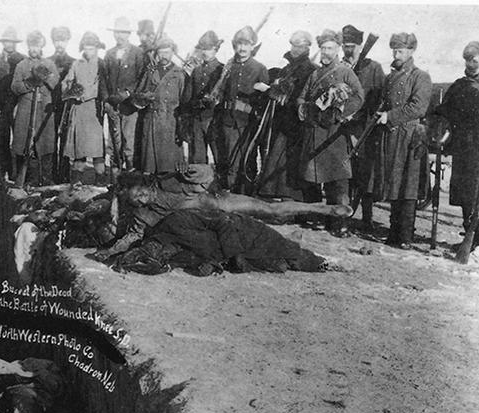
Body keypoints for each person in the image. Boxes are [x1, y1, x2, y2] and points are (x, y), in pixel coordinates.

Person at [93, 164, 353, 260]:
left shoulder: (168, 181)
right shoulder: (145, 216)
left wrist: (195, 171)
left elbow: (207, 172)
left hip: (219, 202)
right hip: (215, 223)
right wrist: (108, 251)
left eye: (139, 192)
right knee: (261, 232)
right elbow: (130, 237)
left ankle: (324, 208)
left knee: (270, 210)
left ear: (144, 185)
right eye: (136, 200)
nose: (141, 199)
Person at [297, 29, 364, 237]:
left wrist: (341, 112)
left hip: (334, 134)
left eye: (330, 48)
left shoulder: (346, 72)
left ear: (337, 50)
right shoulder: (314, 74)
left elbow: (359, 97)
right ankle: (316, 217)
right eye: (323, 48)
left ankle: (339, 221)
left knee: (338, 180)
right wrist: (307, 109)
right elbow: (301, 98)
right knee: (313, 176)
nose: (326, 52)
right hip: (314, 130)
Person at [371, 32, 432, 249]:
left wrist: (391, 116)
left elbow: (418, 107)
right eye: (394, 50)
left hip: (409, 138)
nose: (396, 54)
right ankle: (393, 233)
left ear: (411, 51)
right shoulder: (389, 78)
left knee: (408, 186)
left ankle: (405, 236)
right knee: (394, 184)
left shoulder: (420, 76)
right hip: (391, 136)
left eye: (400, 50)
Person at [256, 30, 318, 200]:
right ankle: (276, 197)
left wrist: (278, 94)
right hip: (282, 122)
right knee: (277, 159)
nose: (296, 49)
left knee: (292, 164)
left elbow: (304, 97)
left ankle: (292, 201)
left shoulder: (311, 70)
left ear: (307, 48)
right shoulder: (286, 69)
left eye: (300, 46)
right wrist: (271, 90)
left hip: (297, 124)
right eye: (294, 45)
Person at [434, 41, 479, 251]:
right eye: (467, 60)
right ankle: (471, 237)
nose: (470, 64)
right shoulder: (459, 85)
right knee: (466, 192)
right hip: (465, 146)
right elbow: (443, 110)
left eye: (474, 59)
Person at [212, 26, 269, 193]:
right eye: (239, 44)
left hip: (248, 123)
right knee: (228, 159)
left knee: (247, 160)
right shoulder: (229, 67)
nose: (242, 48)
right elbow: (220, 92)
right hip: (227, 121)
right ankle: (230, 197)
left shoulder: (260, 68)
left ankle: (246, 197)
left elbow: (264, 101)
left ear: (253, 47)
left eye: (247, 44)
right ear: (235, 46)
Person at [341, 24, 386, 230]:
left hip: (366, 128)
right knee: (346, 173)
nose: (348, 50)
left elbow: (380, 97)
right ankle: (344, 214)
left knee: (365, 175)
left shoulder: (373, 67)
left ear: (360, 46)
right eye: (345, 45)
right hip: (344, 128)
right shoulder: (341, 66)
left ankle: (366, 219)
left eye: (352, 46)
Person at [11, 31, 60, 186]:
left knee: (46, 144)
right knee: (24, 143)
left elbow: (55, 81)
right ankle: (28, 179)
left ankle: (46, 179)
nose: (34, 49)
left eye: (37, 46)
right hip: (26, 108)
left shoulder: (49, 64)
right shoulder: (21, 65)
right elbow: (15, 87)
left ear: (42, 47)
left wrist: (44, 77)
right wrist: (30, 83)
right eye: (32, 46)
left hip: (44, 109)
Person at [61, 32, 108, 185]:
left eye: (92, 49)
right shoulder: (76, 64)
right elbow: (66, 82)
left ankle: (101, 184)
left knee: (97, 150)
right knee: (79, 150)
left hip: (93, 110)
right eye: (86, 49)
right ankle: (77, 184)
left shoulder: (101, 65)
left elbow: (101, 87)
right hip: (78, 110)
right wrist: (69, 90)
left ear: (97, 49)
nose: (89, 52)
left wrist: (86, 94)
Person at [103, 17, 145, 172]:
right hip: (113, 105)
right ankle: (115, 177)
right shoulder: (109, 54)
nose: (119, 36)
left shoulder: (137, 53)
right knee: (114, 142)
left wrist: (128, 93)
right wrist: (107, 101)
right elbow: (103, 79)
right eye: (117, 33)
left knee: (129, 141)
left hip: (130, 106)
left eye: (123, 33)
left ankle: (131, 175)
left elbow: (142, 78)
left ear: (128, 34)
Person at [182, 30, 223, 165]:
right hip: (197, 120)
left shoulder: (223, 70)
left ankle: (223, 185)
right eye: (202, 49)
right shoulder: (196, 71)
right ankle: (199, 184)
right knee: (197, 158)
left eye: (209, 49)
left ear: (216, 49)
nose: (205, 52)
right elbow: (188, 97)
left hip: (214, 120)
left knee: (219, 156)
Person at [0, 28, 26, 178]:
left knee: (20, 140)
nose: (9, 44)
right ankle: (5, 170)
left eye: (12, 42)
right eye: (6, 41)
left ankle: (20, 173)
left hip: (19, 104)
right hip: (3, 104)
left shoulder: (23, 60)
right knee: (3, 139)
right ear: (3, 43)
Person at [48, 26, 75, 181]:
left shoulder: (73, 63)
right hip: (49, 107)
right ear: (52, 41)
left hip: (66, 107)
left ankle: (64, 175)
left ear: (67, 41)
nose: (60, 44)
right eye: (57, 40)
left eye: (62, 40)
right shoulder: (47, 61)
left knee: (65, 141)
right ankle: (51, 174)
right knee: (50, 140)